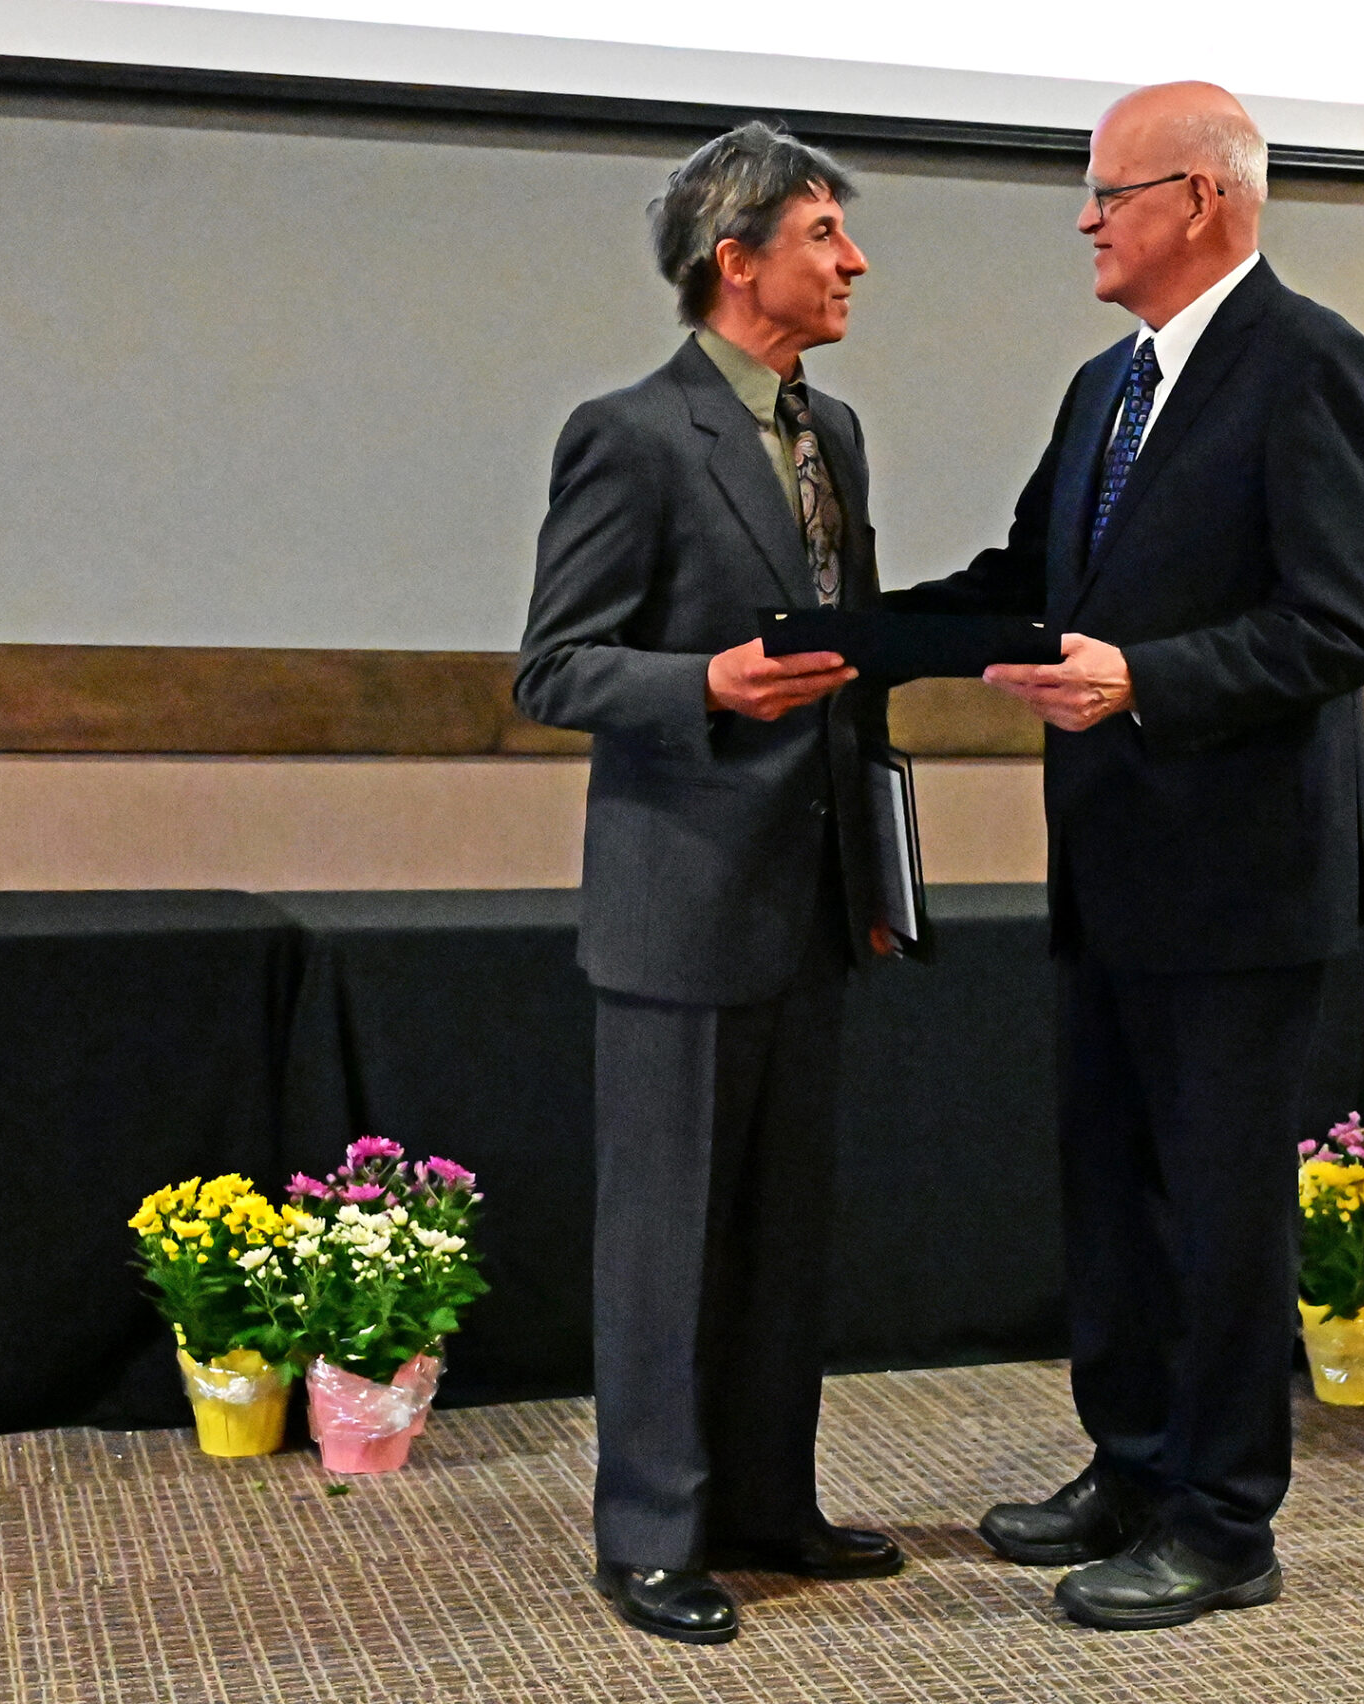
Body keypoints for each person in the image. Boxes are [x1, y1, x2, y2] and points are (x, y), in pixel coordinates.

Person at [885, 82, 1364, 1628]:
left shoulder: (1318, 369)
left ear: (1200, 199)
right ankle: (1130, 1465)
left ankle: (1226, 1519)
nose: (1086, 220)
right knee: (1113, 1193)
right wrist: (849, 638)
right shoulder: (1103, 390)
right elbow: (1022, 577)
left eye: (1109, 193)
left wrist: (1146, 681)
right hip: (1111, 871)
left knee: (1222, 1210)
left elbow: (1338, 627)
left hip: (1246, 885)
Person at [513, 121, 908, 1646]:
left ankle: (764, 1503)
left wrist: (876, 872)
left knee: (780, 1227)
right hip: (679, 905)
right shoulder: (627, 433)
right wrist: (710, 687)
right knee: (669, 1236)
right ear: (732, 261)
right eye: (823, 234)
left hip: (808, 900)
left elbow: (854, 663)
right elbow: (556, 665)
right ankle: (652, 1536)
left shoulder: (836, 431)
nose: (853, 259)